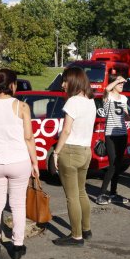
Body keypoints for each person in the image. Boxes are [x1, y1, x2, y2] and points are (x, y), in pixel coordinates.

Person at [0, 69, 39, 259]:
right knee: (18, 205)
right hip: (19, 162)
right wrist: (35, 162)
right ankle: (17, 247)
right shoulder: (22, 107)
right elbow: (28, 137)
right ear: (13, 85)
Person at [52, 67, 96, 247]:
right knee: (81, 191)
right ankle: (86, 229)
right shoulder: (90, 101)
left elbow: (67, 130)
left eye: (65, 80)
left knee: (72, 196)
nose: (62, 84)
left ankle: (76, 236)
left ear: (74, 81)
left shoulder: (72, 102)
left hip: (70, 151)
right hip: (86, 151)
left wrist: (56, 152)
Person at [96, 75, 130, 205]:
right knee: (112, 165)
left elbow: (126, 115)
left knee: (118, 165)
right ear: (114, 84)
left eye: (122, 84)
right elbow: (106, 89)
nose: (122, 85)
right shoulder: (108, 96)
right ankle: (101, 194)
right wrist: (117, 80)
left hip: (123, 134)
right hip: (111, 134)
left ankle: (113, 193)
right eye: (120, 83)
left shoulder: (124, 98)